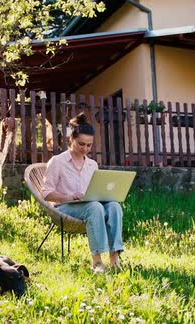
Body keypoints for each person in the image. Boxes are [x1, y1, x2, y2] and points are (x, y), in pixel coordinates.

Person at [41, 113, 124, 273]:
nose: (85, 148)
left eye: (89, 145)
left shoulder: (92, 164)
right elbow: (46, 193)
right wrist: (69, 197)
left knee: (114, 206)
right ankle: (97, 262)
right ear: (70, 139)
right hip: (64, 208)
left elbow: (95, 191)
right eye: (81, 144)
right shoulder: (57, 162)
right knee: (94, 207)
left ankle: (115, 260)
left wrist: (103, 195)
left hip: (89, 206)